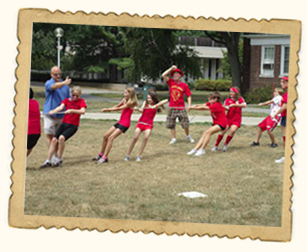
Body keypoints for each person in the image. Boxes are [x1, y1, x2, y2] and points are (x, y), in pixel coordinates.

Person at [40, 86, 87, 168]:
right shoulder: (66, 100)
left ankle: (59, 159)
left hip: (73, 126)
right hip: (64, 123)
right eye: (73, 95)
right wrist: (53, 111)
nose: (75, 97)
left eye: (77, 96)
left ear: (80, 95)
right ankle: (48, 160)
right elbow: (60, 107)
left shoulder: (81, 101)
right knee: (54, 140)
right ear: (71, 94)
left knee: (61, 138)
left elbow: (83, 111)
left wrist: (72, 111)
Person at [93, 87, 138, 164]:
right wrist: (109, 108)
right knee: (105, 136)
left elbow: (120, 108)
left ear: (130, 94)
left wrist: (107, 110)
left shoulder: (131, 103)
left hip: (125, 124)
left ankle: (105, 158)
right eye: (124, 92)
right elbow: (117, 106)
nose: (124, 94)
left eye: (126, 92)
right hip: (120, 122)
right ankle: (101, 154)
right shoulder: (124, 100)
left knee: (111, 138)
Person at [124, 91, 168, 162]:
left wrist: (155, 106)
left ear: (153, 98)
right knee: (135, 137)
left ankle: (139, 155)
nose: (148, 99)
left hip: (149, 124)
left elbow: (166, 100)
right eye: (148, 98)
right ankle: (128, 155)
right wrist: (138, 109)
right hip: (141, 122)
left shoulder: (156, 105)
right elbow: (141, 109)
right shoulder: (146, 103)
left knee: (146, 137)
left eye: (150, 98)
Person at [42, 66, 71, 162]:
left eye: (59, 74)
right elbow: (53, 87)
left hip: (61, 115)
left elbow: (69, 99)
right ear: (51, 74)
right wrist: (63, 83)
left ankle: (55, 155)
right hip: (49, 114)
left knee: (57, 137)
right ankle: (53, 155)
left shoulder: (66, 86)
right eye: (55, 74)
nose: (58, 76)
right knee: (50, 136)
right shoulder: (49, 83)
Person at [187, 92, 228, 156]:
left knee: (208, 132)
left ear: (216, 99)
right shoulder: (211, 103)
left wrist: (192, 108)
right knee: (205, 133)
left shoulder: (216, 105)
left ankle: (202, 150)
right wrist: (194, 106)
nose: (209, 101)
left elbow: (203, 108)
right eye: (209, 99)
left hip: (222, 124)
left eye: (211, 99)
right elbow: (203, 105)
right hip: (216, 123)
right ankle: (195, 149)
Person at [161, 65, 194, 144]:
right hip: (172, 107)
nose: (175, 75)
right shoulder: (171, 82)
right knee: (171, 123)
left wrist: (189, 105)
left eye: (177, 74)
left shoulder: (184, 85)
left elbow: (189, 95)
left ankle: (188, 136)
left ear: (180, 76)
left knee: (185, 123)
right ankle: (173, 138)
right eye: (174, 74)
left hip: (181, 108)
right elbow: (163, 75)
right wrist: (171, 68)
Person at [211, 87, 246, 152]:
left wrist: (234, 105)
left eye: (232, 92)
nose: (231, 93)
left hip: (236, 119)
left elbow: (244, 105)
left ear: (236, 93)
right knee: (223, 131)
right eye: (230, 92)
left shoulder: (240, 99)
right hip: (228, 119)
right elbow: (226, 108)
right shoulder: (227, 100)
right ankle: (216, 145)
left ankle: (225, 145)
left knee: (232, 131)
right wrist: (224, 108)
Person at [271, 76, 288, 163]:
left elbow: (285, 106)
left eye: (283, 82)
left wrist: (275, 114)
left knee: (286, 136)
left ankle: (286, 156)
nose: (281, 84)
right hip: (286, 116)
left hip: (286, 117)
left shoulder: (288, 94)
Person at [27, 87, 41, 157]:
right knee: (29, 147)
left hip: (27, 132)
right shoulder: (36, 103)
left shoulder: (21, 103)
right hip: (36, 133)